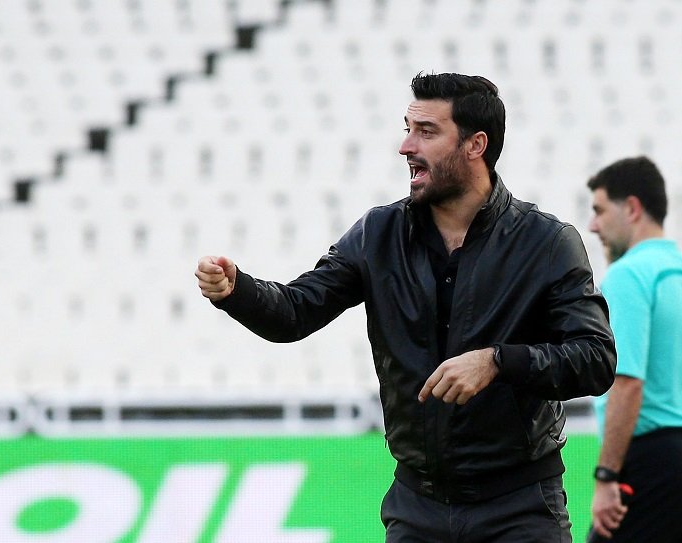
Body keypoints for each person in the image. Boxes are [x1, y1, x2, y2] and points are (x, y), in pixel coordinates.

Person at [196, 72, 616, 542]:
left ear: (476, 145)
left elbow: (595, 360)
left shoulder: (547, 242)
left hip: (519, 507)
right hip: (417, 507)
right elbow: (295, 313)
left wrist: (498, 361)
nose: (406, 146)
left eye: (426, 132)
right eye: (408, 129)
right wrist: (237, 290)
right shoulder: (377, 233)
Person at [585, 156, 682, 542]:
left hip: (652, 462)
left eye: (599, 210)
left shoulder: (628, 275)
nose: (593, 225)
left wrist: (606, 476)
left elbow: (628, 382)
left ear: (632, 208)